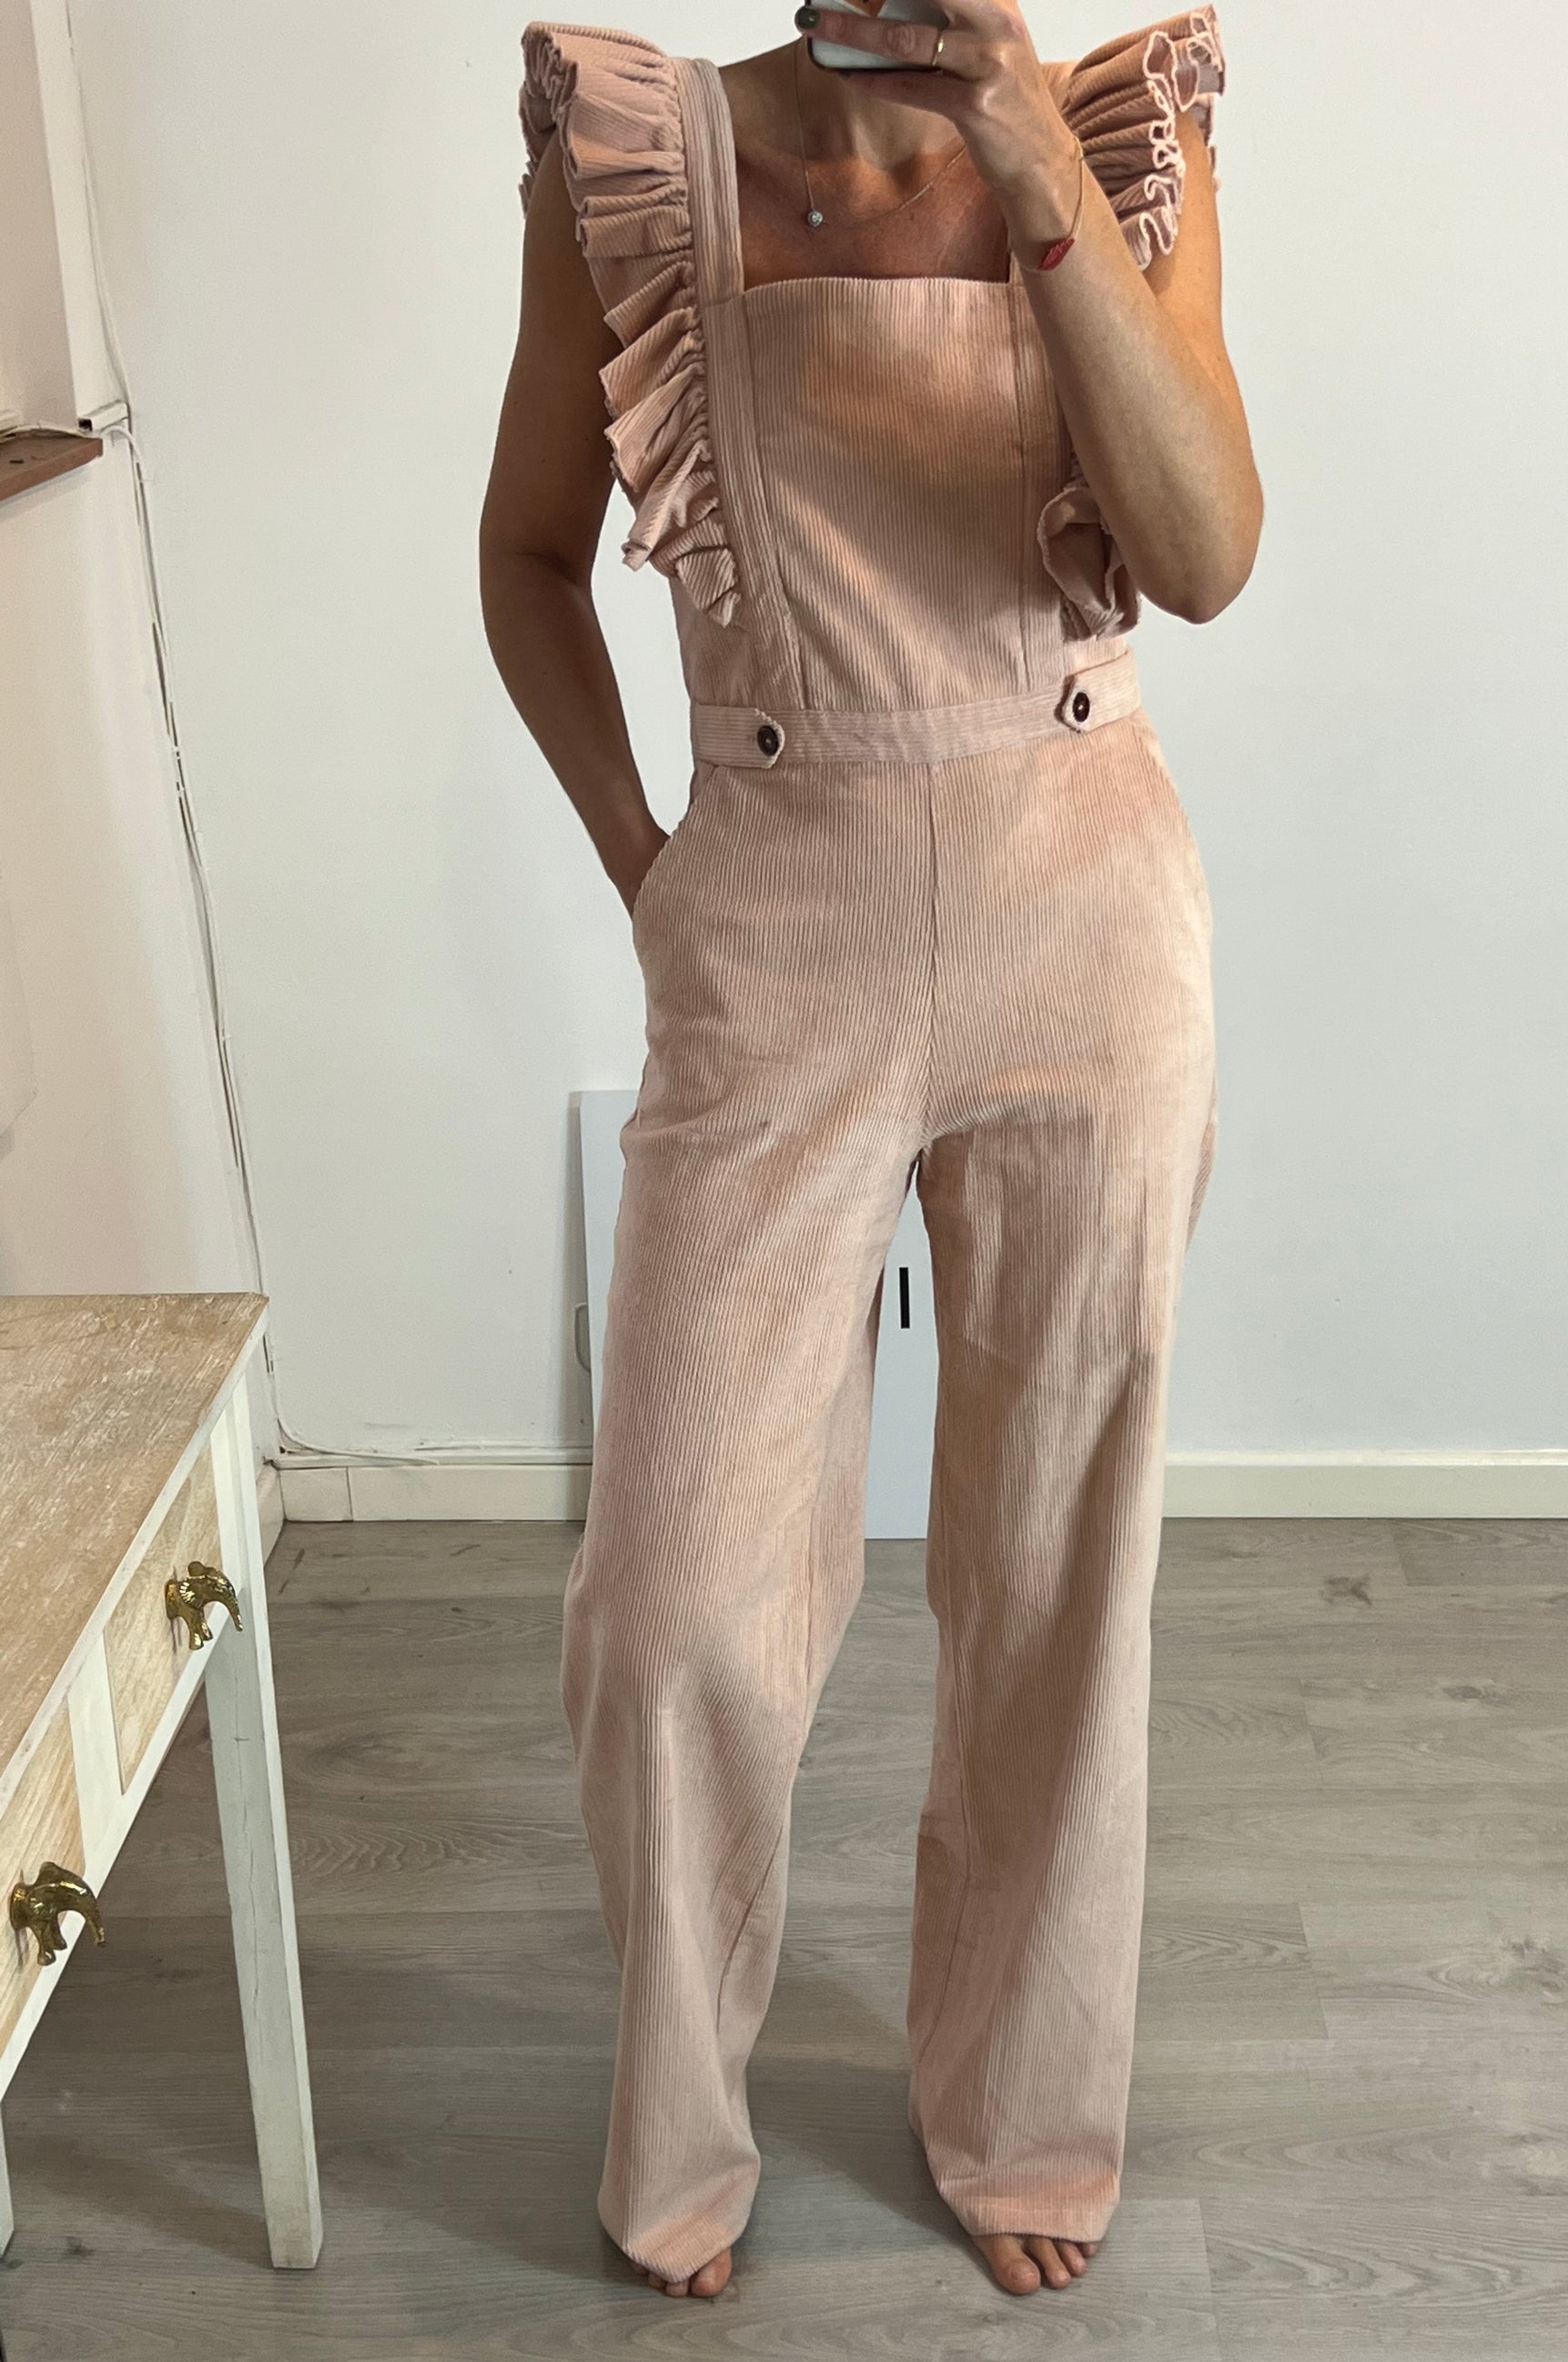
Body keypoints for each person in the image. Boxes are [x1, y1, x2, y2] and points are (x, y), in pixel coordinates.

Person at [479, 0, 1260, 2306]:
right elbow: (528, 554)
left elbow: (1205, 552)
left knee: (1053, 1567)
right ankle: (675, 2120)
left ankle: (1021, 2102)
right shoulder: (644, 160)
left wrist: (1021, 146)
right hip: (772, 907)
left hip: (1080, 895)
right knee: (673, 1606)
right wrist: (650, 872)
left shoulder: (1116, 135)